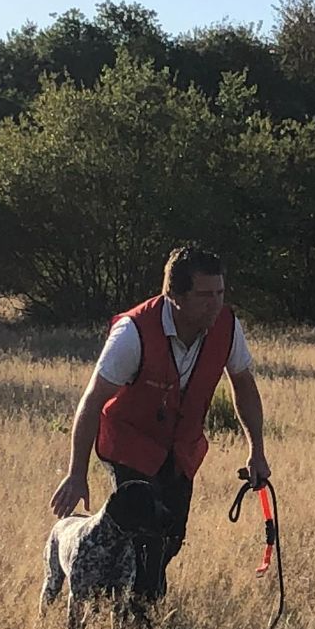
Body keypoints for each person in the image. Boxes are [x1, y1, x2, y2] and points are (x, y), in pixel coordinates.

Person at [50, 245, 271, 603]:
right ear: (174, 296)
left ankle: (133, 597)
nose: (215, 304)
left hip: (181, 449)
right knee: (143, 532)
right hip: (129, 443)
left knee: (171, 533)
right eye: (204, 295)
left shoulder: (227, 327)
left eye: (220, 293)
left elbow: (244, 385)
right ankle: (134, 609)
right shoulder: (132, 333)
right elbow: (91, 403)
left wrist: (257, 452)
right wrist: (77, 475)